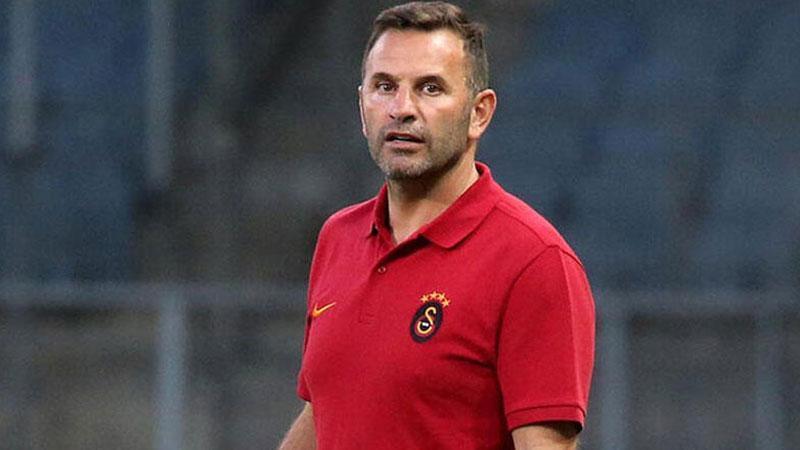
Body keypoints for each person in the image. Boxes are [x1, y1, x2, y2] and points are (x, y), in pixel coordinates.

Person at [279, 2, 595, 449]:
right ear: (362, 106)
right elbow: (325, 409)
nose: (401, 108)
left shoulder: (534, 261)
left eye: (430, 88)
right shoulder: (338, 236)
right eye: (384, 87)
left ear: (479, 113)